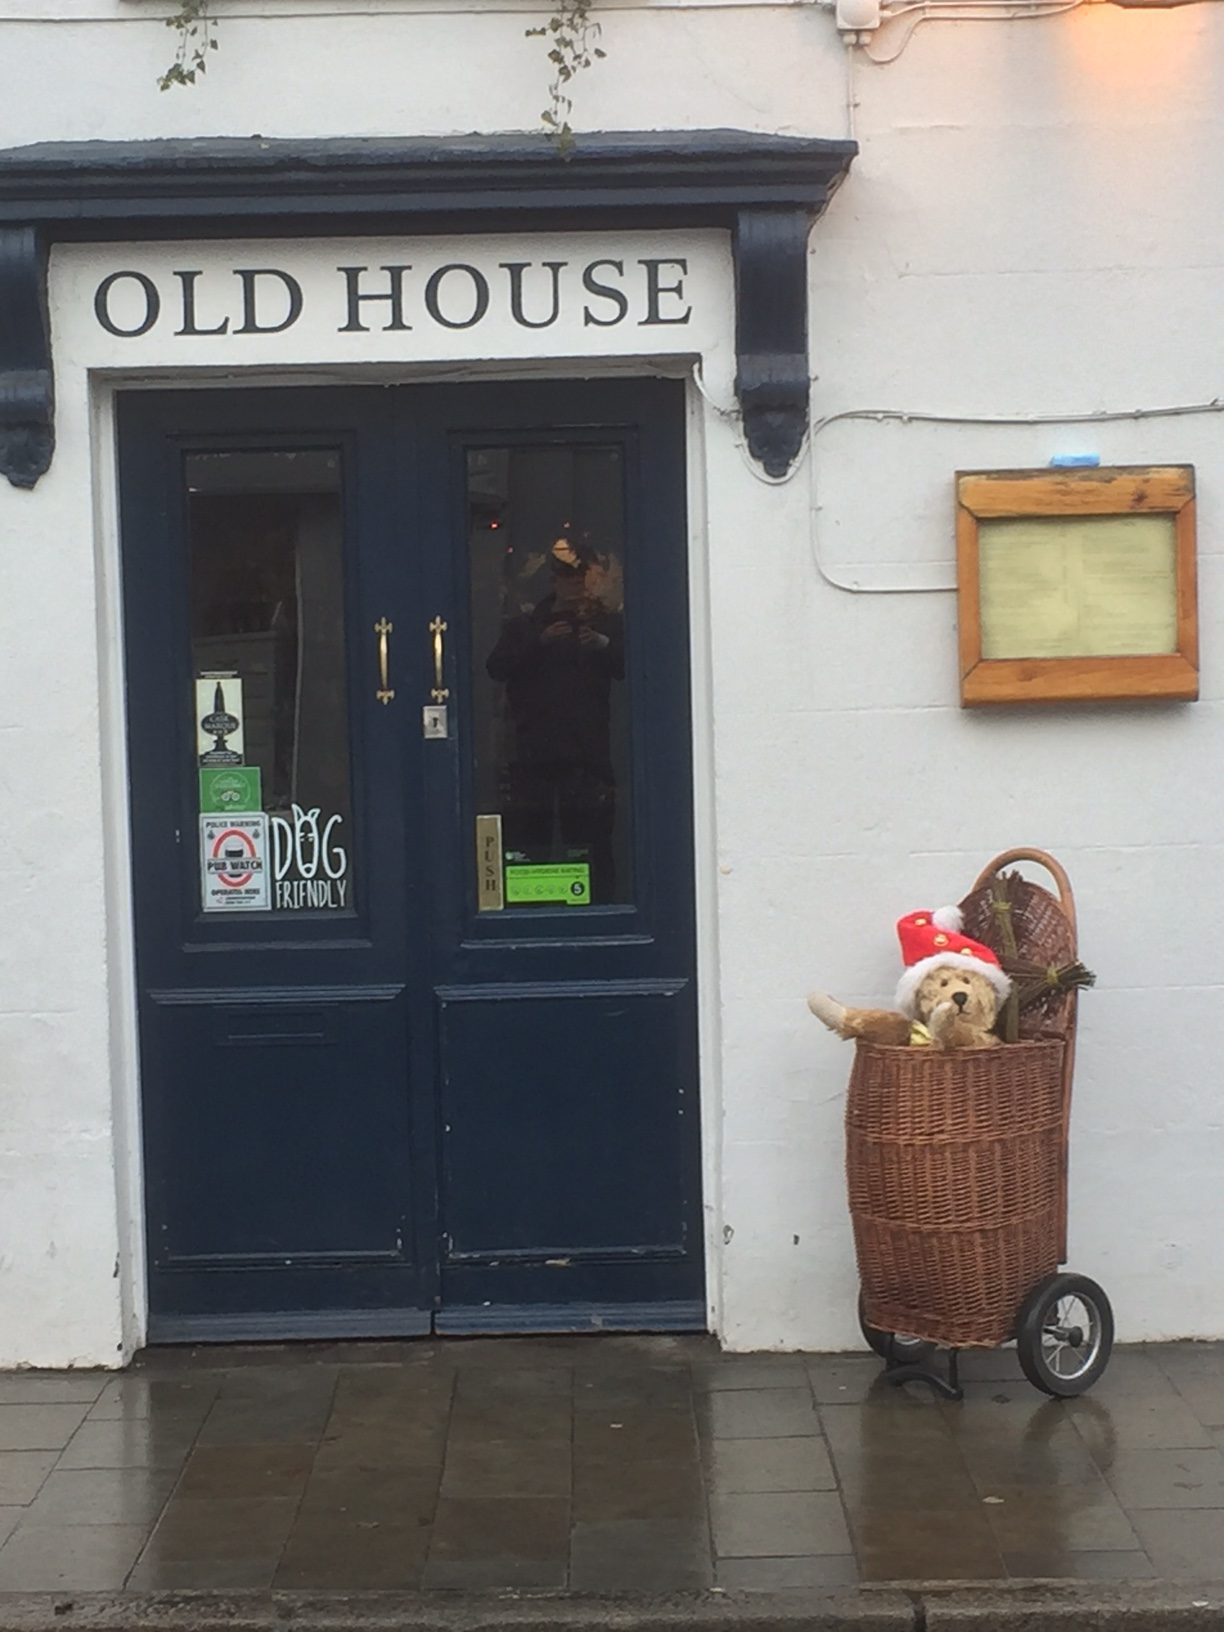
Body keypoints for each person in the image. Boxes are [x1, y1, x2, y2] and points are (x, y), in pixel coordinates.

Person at [486, 535, 625, 900]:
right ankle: (533, 915)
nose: (574, 586)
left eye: (581, 578)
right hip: (534, 757)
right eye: (567, 578)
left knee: (593, 849)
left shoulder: (606, 625)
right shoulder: (526, 626)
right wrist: (540, 642)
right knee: (532, 848)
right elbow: (496, 668)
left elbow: (638, 670)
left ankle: (600, 919)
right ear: (554, 581)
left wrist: (602, 644)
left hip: (588, 759)